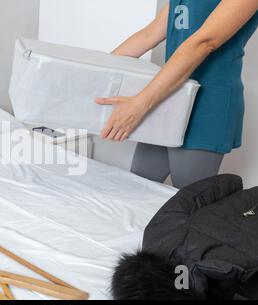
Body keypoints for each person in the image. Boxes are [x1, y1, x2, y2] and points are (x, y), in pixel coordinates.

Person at [96, 0, 258, 188]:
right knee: (137, 187)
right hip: (165, 97)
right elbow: (148, 35)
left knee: (187, 202)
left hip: (206, 105)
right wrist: (94, 79)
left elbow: (205, 42)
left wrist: (139, 105)